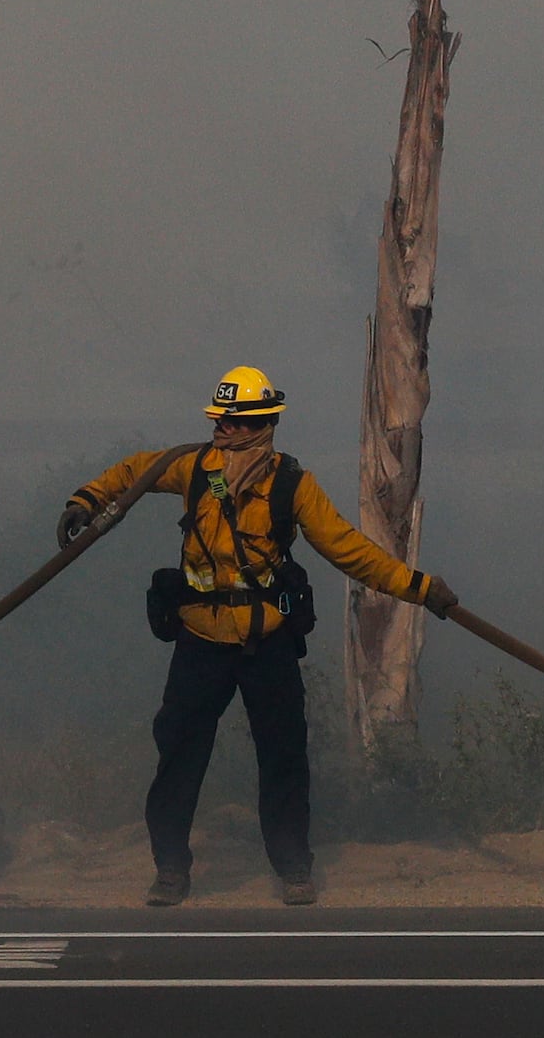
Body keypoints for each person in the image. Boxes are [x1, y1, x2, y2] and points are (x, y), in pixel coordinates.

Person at [57, 366, 458, 907]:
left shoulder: (292, 485)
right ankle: (171, 870)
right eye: (218, 420)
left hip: (265, 642)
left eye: (231, 421)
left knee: (284, 756)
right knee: (178, 755)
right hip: (199, 639)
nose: (221, 429)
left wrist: (420, 587)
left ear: (260, 425)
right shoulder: (192, 467)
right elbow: (135, 471)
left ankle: (294, 869)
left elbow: (348, 550)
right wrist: (86, 499)